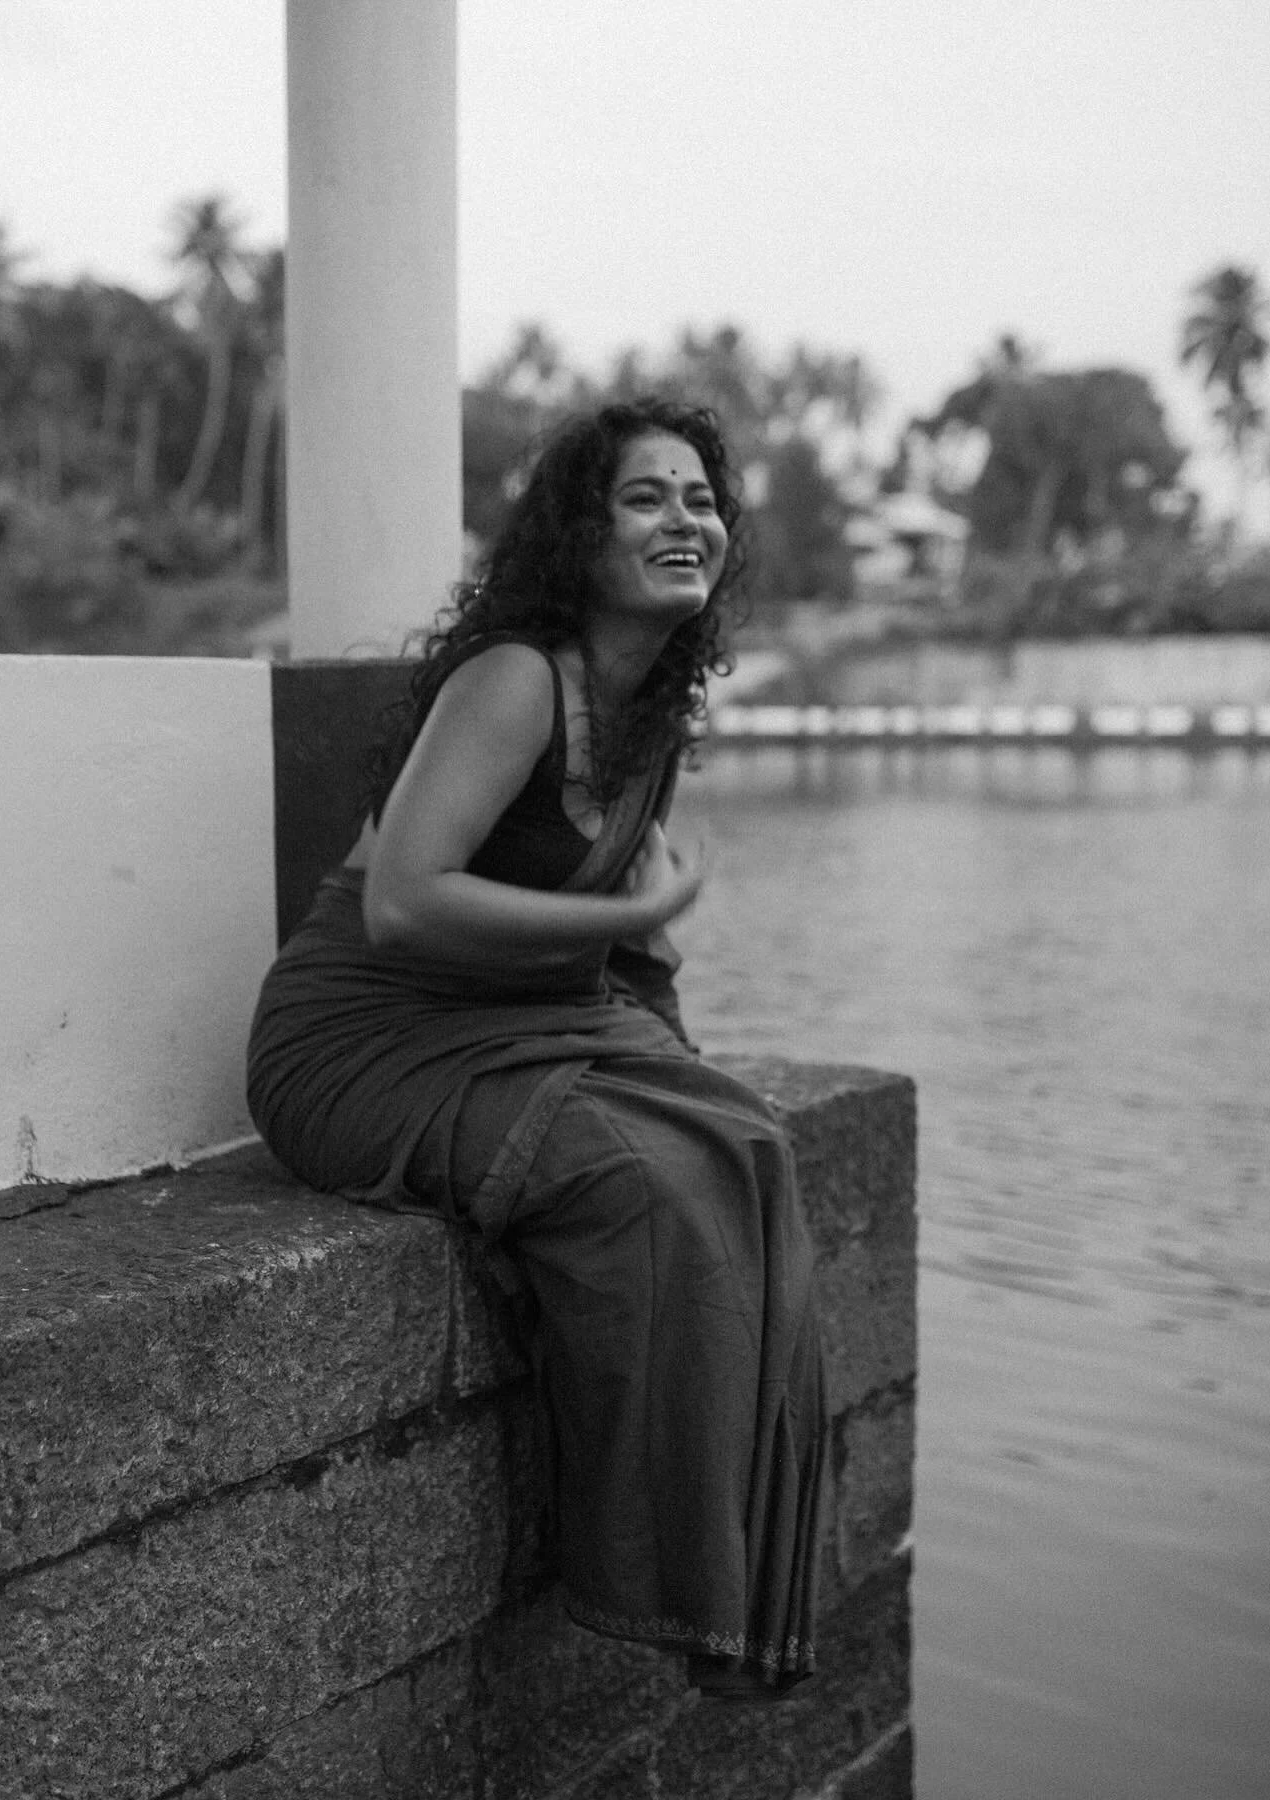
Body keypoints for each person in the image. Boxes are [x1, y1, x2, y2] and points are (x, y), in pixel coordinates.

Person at [246, 397, 828, 1703]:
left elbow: (642, 959)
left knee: (747, 1147)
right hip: (361, 1039)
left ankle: (744, 1602)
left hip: (519, 1022)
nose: (685, 520)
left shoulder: (651, 708)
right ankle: (662, 1591)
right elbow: (405, 902)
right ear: (581, 531)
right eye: (646, 497)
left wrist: (681, 1070)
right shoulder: (516, 678)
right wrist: (618, 919)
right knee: (640, 1184)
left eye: (701, 499)